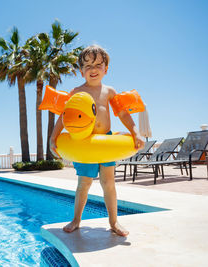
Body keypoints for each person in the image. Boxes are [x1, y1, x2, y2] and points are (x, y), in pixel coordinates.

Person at [49, 44, 144, 237]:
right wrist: (53, 137)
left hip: (106, 143)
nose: (93, 69)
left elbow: (123, 113)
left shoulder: (109, 91)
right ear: (81, 70)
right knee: (84, 183)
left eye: (98, 65)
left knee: (108, 183)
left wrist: (135, 132)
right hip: (84, 144)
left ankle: (114, 222)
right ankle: (76, 220)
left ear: (106, 69)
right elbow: (63, 117)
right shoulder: (76, 92)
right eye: (88, 65)